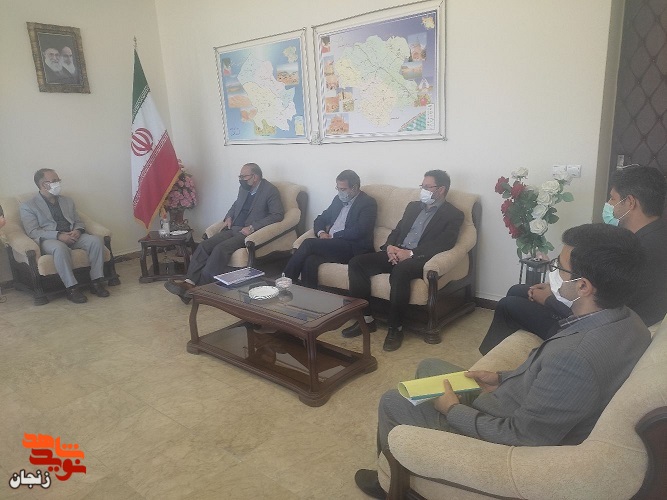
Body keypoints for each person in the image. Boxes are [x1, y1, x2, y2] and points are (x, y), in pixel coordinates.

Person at [355, 223, 652, 498]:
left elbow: (522, 436)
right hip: (512, 399)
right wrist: (502, 378)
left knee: (392, 401)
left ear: (584, 286)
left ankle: (390, 484)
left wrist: (453, 410)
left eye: (559, 268)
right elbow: (553, 382)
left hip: (502, 429)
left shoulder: (575, 358)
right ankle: (407, 463)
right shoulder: (629, 320)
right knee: (429, 366)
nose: (553, 272)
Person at [479, 165, 667, 354]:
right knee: (518, 290)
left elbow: (603, 310)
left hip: (598, 332)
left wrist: (551, 300)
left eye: (613, 198)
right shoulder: (652, 235)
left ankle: (488, 362)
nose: (609, 204)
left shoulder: (641, 252)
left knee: (508, 305)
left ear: (630, 202)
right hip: (602, 312)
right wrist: (556, 291)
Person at [342, 170, 463, 351]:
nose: (423, 190)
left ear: (441, 190)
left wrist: (411, 253)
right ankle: (365, 320)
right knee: (357, 263)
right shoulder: (413, 207)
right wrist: (390, 247)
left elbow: (444, 243)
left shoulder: (453, 214)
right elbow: (397, 231)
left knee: (400, 271)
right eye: (422, 186)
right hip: (396, 251)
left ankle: (395, 328)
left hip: (419, 258)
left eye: (427, 187)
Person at [165, 163, 284, 303]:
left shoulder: (270, 191)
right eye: (240, 176)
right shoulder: (244, 188)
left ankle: (201, 289)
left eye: (243, 177)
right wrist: (229, 217)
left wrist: (252, 227)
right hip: (232, 228)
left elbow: (277, 215)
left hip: (248, 233)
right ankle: (189, 283)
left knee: (220, 249)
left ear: (255, 177)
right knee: (204, 245)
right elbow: (236, 204)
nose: (240, 180)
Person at [20, 169, 110, 304]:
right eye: (55, 181)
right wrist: (58, 235)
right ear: (44, 185)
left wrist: (78, 230)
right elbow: (33, 231)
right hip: (50, 239)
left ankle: (96, 282)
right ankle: (72, 288)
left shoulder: (67, 201)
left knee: (95, 241)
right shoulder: (28, 206)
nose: (58, 183)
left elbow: (78, 221)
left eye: (58, 180)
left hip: (72, 234)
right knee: (60, 248)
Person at [283, 170, 377, 288]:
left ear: (354, 188)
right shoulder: (338, 200)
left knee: (308, 243)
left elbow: (361, 230)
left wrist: (335, 236)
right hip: (333, 245)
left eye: (343, 189)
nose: (340, 192)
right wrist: (321, 233)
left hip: (353, 247)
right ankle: (308, 296)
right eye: (338, 188)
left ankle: (284, 282)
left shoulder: (368, 203)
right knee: (310, 260)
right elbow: (320, 219)